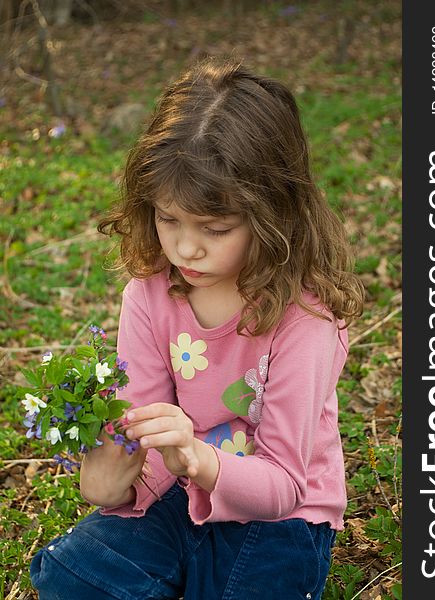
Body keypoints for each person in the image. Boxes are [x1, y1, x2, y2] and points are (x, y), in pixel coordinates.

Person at [30, 56, 364, 600]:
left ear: (273, 215)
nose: (186, 248)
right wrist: (116, 480)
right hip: (176, 498)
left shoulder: (306, 319)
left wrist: (199, 458)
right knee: (74, 573)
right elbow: (141, 428)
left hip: (282, 518)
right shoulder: (149, 294)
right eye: (168, 219)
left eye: (215, 227)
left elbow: (283, 484)